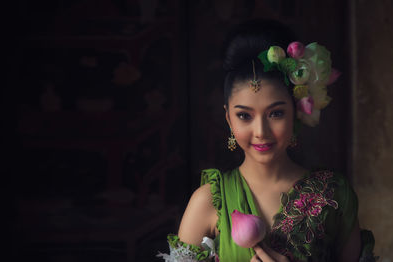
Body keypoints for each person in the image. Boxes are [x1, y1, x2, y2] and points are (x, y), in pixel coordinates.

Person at [158, 20, 377, 262]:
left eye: (276, 113)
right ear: (229, 119)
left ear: (296, 111)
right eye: (244, 116)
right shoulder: (207, 202)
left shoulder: (335, 195)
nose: (261, 131)